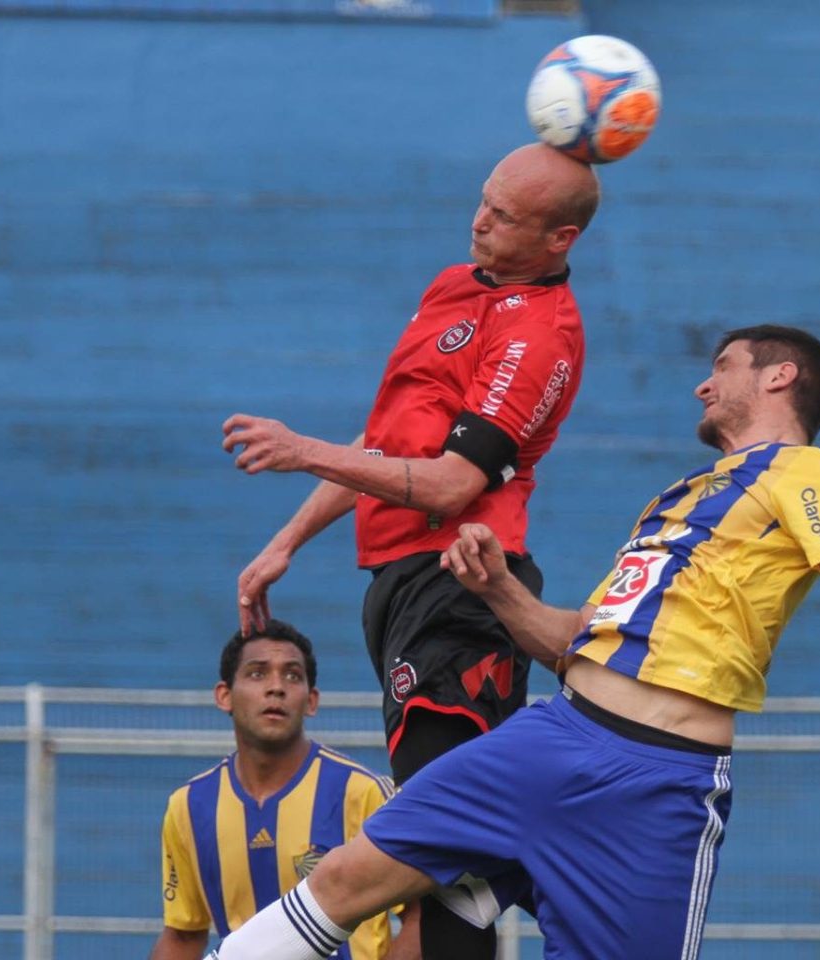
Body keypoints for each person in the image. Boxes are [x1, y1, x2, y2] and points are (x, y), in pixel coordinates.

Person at [205, 324, 820, 960]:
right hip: (554, 736)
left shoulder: (807, 469)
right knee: (349, 878)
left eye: (722, 367)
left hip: (656, 784)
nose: (703, 384)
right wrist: (498, 590)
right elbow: (577, 640)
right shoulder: (676, 500)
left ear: (780, 377)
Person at [221, 143, 599, 957]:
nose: (480, 220)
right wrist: (287, 540)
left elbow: (451, 485)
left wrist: (301, 449)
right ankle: (538, 851)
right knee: (447, 848)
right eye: (484, 200)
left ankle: (562, 862)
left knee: (442, 844)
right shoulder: (455, 285)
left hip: (461, 587)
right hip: (398, 586)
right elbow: (387, 447)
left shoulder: (541, 335)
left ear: (559, 239)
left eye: (504, 216)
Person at [150, 620, 418, 960]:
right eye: (257, 673)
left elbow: (421, 917)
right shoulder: (189, 806)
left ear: (311, 701)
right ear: (224, 696)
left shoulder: (364, 792)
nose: (276, 687)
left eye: (292, 675)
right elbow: (183, 936)